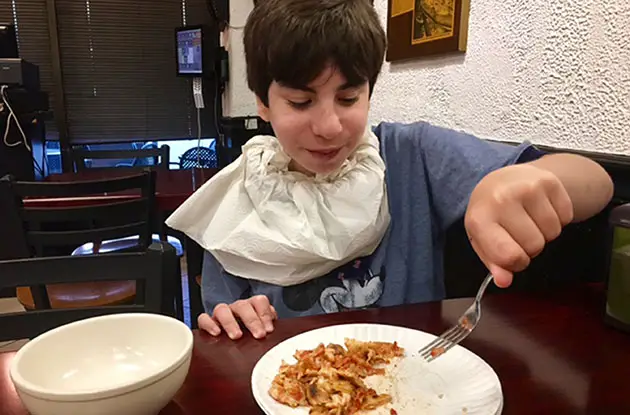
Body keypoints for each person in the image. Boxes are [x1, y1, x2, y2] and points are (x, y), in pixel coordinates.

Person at [165, 0, 613, 340]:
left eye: (348, 97)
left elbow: (598, 182)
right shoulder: (239, 192)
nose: (328, 126)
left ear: (369, 92)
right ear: (263, 103)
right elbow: (224, 321)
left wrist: (513, 179)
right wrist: (231, 320)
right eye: (300, 102)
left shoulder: (409, 153)